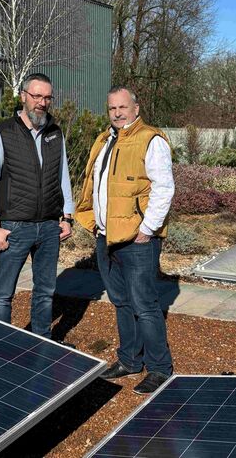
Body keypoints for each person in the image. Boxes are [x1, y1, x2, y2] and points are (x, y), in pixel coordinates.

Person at [75, 86, 175, 394]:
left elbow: (164, 188)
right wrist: (94, 223)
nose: (117, 113)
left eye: (122, 107)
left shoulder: (150, 140)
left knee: (144, 304)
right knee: (120, 301)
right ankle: (130, 359)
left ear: (136, 107)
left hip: (136, 239)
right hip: (106, 236)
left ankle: (160, 368)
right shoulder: (106, 139)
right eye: (112, 108)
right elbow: (94, 184)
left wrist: (147, 229)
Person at [0, 73, 74, 338]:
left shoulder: (55, 133)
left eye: (47, 97)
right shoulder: (2, 133)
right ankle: (1, 348)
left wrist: (67, 217)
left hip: (48, 228)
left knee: (45, 293)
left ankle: (42, 345)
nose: (42, 103)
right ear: (23, 96)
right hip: (14, 227)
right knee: (3, 295)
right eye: (36, 96)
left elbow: (62, 176)